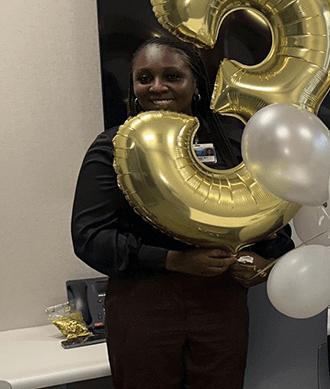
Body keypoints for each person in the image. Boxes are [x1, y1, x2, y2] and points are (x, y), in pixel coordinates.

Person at [71, 37, 294, 389]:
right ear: (133, 87)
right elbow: (89, 237)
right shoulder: (112, 148)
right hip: (143, 307)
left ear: (195, 84)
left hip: (220, 307)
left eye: (172, 76)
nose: (157, 87)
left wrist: (263, 262)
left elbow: (275, 227)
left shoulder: (235, 143)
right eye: (145, 78)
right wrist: (173, 260)